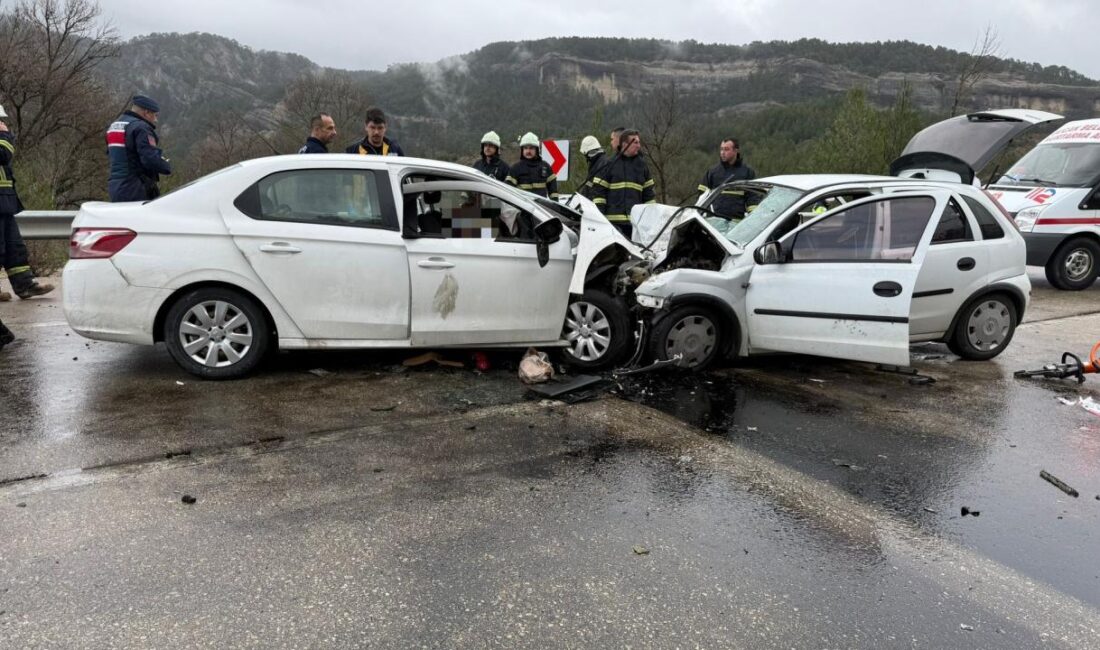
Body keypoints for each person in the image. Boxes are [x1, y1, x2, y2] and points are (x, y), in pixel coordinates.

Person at [1, 108, 53, 300]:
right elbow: (4, 154)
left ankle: (25, 285)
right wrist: (4, 134)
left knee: (15, 248)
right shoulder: (2, 137)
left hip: (5, 201)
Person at [590, 129, 655, 238]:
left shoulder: (643, 167)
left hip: (636, 227)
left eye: (639, 142)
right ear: (625, 144)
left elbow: (649, 197)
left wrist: (650, 222)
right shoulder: (609, 165)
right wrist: (600, 220)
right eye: (635, 142)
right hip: (612, 226)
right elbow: (598, 195)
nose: (639, 146)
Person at [106, 95, 172, 202]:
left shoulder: (113, 126)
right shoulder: (141, 128)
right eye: (155, 115)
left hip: (115, 187)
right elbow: (150, 159)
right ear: (146, 113)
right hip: (135, 189)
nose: (156, 120)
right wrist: (166, 166)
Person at [697, 138, 757, 219]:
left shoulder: (747, 172)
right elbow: (702, 196)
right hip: (713, 222)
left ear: (736, 151)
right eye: (721, 149)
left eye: (726, 149)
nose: (722, 152)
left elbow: (752, 198)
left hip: (736, 223)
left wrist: (753, 217)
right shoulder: (712, 172)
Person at [505, 132, 558, 199]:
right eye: (525, 148)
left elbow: (553, 192)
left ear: (537, 150)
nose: (528, 151)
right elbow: (508, 190)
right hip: (522, 207)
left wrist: (555, 206)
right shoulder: (516, 168)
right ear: (522, 150)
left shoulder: (545, 167)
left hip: (541, 206)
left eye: (531, 148)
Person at [578, 135, 606, 199]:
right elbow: (588, 184)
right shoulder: (597, 161)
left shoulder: (599, 164)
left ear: (587, 153)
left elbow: (594, 187)